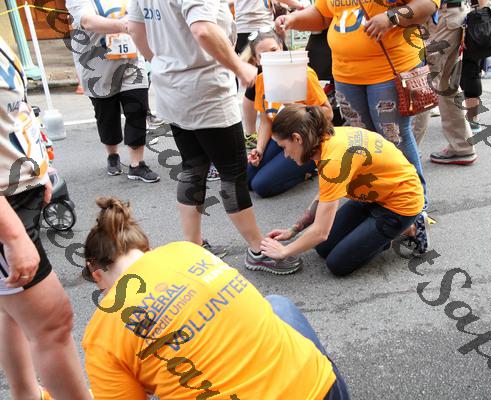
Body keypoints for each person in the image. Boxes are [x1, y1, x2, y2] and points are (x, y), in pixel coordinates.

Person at [81, 196, 350, 399]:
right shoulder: (187, 251)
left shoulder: (101, 335)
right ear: (146, 249)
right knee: (277, 305)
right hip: (322, 387)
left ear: (97, 275)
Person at [127, 0, 302, 274]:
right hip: (205, 90)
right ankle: (258, 250)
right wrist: (239, 67)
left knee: (193, 166)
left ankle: (194, 246)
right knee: (232, 173)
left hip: (171, 87)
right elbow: (203, 30)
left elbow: (135, 29)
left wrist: (166, 62)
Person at [275, 0, 437, 253]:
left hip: (388, 68)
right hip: (346, 74)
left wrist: (390, 18)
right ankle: (375, 201)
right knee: (363, 145)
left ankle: (415, 210)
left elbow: (428, 4)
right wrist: (294, 19)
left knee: (394, 138)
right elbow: (323, 14)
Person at [0, 36, 92, 400]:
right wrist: (13, 236)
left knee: (13, 310)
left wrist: (38, 171)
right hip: (6, 209)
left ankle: (27, 393)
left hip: (18, 192)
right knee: (53, 322)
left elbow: (14, 111)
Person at [260, 105, 425, 276]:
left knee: (338, 264)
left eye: (283, 147)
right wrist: (294, 230)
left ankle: (410, 227)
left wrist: (284, 251)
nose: (286, 155)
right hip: (374, 194)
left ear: (297, 138)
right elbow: (325, 193)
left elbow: (321, 232)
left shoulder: (333, 160)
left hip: (401, 204)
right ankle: (375, 232)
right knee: (322, 248)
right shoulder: (321, 139)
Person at [66, 0, 160, 182]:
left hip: (131, 60)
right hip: (96, 66)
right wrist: (125, 25)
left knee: (138, 109)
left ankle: (137, 164)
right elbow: (88, 21)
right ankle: (112, 155)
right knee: (107, 115)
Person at [246, 30, 333, 198]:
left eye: (273, 50)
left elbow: (328, 113)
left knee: (260, 186)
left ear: (282, 47)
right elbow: (265, 121)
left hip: (306, 139)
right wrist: (259, 149)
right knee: (247, 180)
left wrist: (298, 109)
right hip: (280, 138)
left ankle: (310, 169)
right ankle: (287, 166)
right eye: (263, 55)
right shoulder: (261, 80)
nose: (271, 57)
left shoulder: (303, 73)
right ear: (256, 61)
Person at [412, 0, 478, 165]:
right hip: (451, 15)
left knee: (425, 83)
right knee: (446, 85)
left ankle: (408, 151)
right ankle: (462, 147)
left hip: (445, 16)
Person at [460, 0, 491, 133]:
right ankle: (467, 119)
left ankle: (473, 119)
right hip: (458, 20)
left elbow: (481, 4)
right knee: (463, 72)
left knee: (470, 70)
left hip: (468, 22)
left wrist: (472, 22)